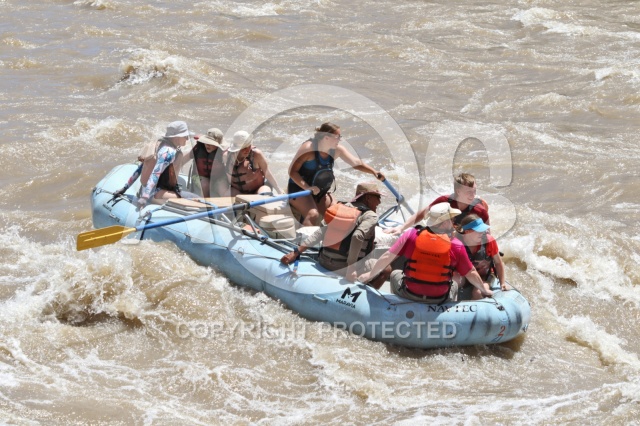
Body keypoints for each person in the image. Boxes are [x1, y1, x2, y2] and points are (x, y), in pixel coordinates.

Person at [358, 202, 493, 303]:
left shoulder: (411, 235)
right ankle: (448, 312)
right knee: (454, 284)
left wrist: (370, 274)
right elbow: (471, 273)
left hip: (410, 293)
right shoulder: (456, 245)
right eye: (451, 220)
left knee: (395, 273)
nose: (454, 222)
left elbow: (388, 256)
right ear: (444, 223)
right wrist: (484, 290)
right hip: (439, 297)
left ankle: (399, 306)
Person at [280, 182, 391, 289]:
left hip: (324, 261)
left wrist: (296, 252)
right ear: (368, 198)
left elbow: (320, 233)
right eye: (378, 197)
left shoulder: (339, 208)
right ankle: (360, 294)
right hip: (344, 268)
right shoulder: (370, 216)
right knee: (386, 268)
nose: (379, 201)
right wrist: (351, 268)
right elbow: (357, 236)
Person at [287, 122, 385, 227]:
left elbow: (356, 163)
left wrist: (374, 172)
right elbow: (292, 171)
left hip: (319, 191)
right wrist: (307, 187)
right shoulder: (308, 148)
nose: (339, 140)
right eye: (337, 137)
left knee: (337, 213)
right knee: (313, 214)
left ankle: (334, 237)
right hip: (299, 190)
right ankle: (304, 238)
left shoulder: (337, 150)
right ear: (326, 138)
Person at [114, 121, 199, 208]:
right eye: (185, 136)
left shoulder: (159, 146)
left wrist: (124, 188)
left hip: (147, 190)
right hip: (154, 194)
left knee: (193, 198)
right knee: (196, 199)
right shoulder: (169, 152)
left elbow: (140, 168)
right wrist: (144, 197)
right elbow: (155, 173)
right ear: (177, 138)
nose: (187, 139)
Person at [385, 172, 489, 236]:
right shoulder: (445, 201)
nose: (473, 195)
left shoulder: (479, 209)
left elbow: (487, 234)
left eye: (474, 191)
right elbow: (422, 213)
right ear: (458, 191)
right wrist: (401, 228)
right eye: (469, 192)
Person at [456, 214, 508, 299]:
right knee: (454, 281)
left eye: (483, 230)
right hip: (466, 276)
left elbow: (498, 262)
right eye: (479, 231)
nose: (482, 233)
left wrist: (502, 283)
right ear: (467, 232)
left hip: (484, 276)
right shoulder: (456, 243)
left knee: (477, 292)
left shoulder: (489, 241)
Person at [222, 130, 282, 196]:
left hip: (259, 188)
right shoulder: (226, 157)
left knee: (264, 195)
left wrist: (279, 190)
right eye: (244, 148)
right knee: (227, 195)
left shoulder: (256, 154)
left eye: (249, 146)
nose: (247, 150)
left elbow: (267, 173)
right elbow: (223, 177)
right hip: (238, 191)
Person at [183, 128, 228, 198]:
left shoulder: (223, 153)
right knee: (205, 185)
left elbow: (232, 168)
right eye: (206, 141)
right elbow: (182, 160)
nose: (207, 144)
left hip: (218, 178)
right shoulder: (198, 148)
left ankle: (225, 204)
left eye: (211, 143)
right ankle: (205, 203)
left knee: (224, 190)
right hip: (200, 177)